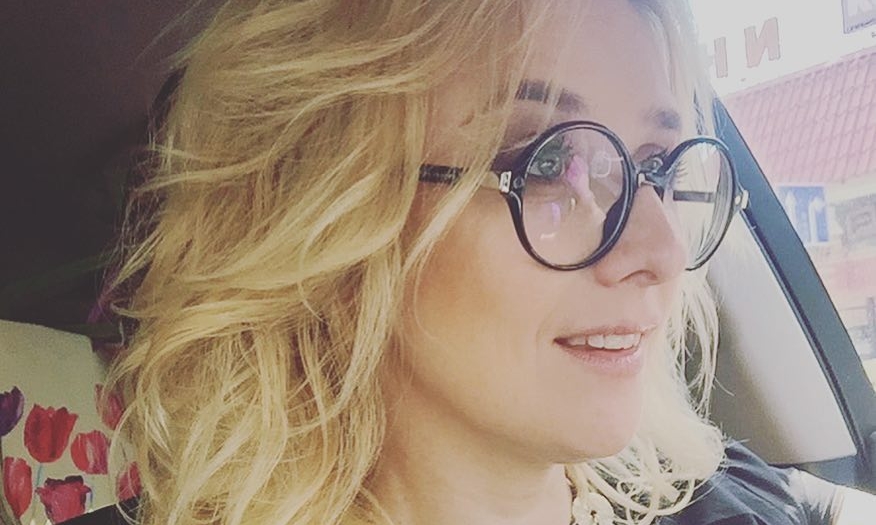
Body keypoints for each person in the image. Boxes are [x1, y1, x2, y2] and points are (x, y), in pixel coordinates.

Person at [66, 0, 873, 524]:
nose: (660, 253)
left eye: (657, 165)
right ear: (325, 220)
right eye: (549, 163)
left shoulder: (736, 496)